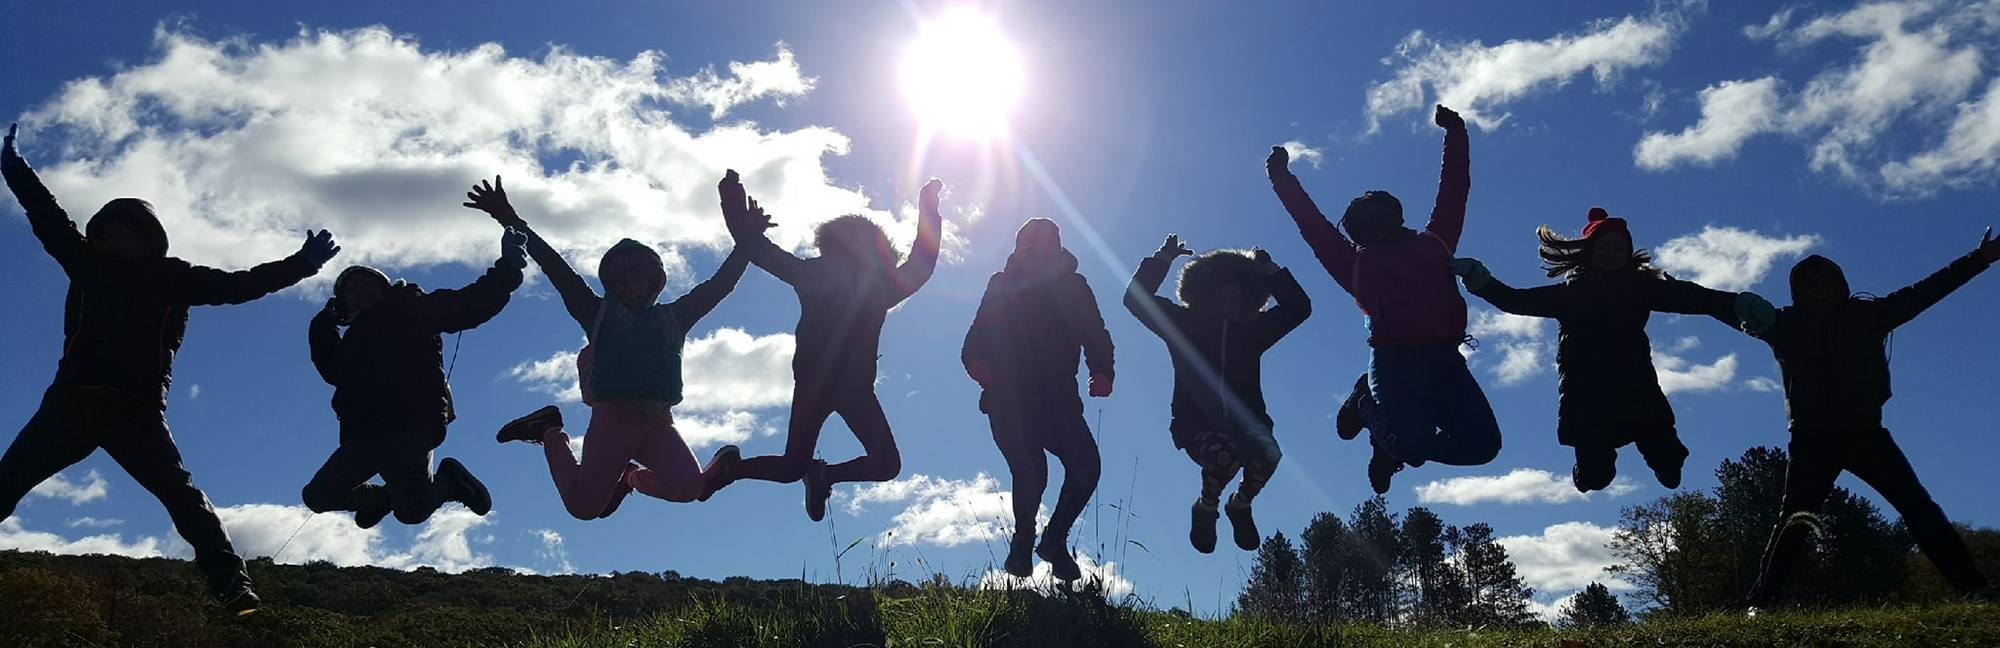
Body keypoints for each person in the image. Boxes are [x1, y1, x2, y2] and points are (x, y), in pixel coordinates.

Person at [0, 124, 338, 614]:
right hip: (71, 400)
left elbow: (241, 285)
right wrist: (14, 167)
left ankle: (230, 585)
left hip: (134, 408)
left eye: (124, 233)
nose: (112, 240)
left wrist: (302, 264)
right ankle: (230, 582)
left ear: (148, 239)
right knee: (7, 481)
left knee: (181, 498)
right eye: (103, 234)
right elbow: (47, 217)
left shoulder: (174, 277)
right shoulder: (85, 266)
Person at [1736, 233, 2000, 608]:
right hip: (1812, 439)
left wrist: (1979, 259)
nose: (1819, 290)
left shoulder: (1869, 315)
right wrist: (1658, 288)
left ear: (1841, 286)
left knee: (1919, 508)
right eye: (1808, 286)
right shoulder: (1781, 325)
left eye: (1825, 282)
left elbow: (1925, 292)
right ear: (1797, 295)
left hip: (1866, 434)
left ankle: (1974, 589)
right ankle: (1761, 603)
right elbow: (1723, 306)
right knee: (1795, 519)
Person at [471, 175, 747, 519]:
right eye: (622, 281)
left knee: (690, 488)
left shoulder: (675, 316)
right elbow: (556, 268)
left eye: (640, 279)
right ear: (611, 286)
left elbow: (720, 286)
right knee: (584, 508)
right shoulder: (596, 312)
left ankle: (629, 478)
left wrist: (746, 241)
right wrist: (509, 218)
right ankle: (548, 431)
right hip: (613, 418)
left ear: (655, 283)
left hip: (658, 421)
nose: (632, 287)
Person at [1450, 207, 1775, 492]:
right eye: (1603, 247)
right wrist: (1479, 278)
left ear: (1629, 252)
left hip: (1637, 388)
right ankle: (1586, 473)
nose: (1612, 253)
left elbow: (1692, 298)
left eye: (1619, 248)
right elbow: (1515, 300)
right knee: (1597, 476)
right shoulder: (1569, 295)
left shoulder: (1640, 288)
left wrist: (1737, 302)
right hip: (1587, 397)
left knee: (1669, 462)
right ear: (1589, 251)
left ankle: (1668, 462)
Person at [1266, 104, 1498, 495]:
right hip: (1395, 361)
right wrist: (1281, 179)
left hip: (1444, 359)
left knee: (1484, 446)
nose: (1374, 224)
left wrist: (1455, 133)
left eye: (1380, 215)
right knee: (1411, 446)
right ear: (1356, 232)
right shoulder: (1351, 263)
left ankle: (1389, 443)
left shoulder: (1434, 242)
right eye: (1364, 221)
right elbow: (1314, 226)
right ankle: (1367, 406)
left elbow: (1455, 190)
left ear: (1396, 216)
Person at [705, 172, 944, 522]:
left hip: (851, 388)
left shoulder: (876, 287)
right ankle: (732, 470)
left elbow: (922, 265)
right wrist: (732, 195)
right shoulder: (817, 275)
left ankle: (819, 475)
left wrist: (929, 209)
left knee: (883, 464)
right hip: (818, 385)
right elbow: (755, 248)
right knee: (792, 467)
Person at [299, 221, 526, 529]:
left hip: (411, 428)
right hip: (362, 437)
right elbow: (332, 370)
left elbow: (467, 305)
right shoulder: (351, 342)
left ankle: (448, 481)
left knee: (412, 513)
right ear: (343, 306)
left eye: (368, 287)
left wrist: (508, 268)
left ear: (385, 290)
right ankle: (380, 500)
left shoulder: (409, 309)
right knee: (318, 496)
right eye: (351, 291)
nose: (360, 294)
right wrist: (324, 322)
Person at [1124, 235, 1310, 554]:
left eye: (1236, 302)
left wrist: (1269, 269)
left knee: (1269, 455)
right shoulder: (1182, 325)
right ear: (1203, 296)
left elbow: (1299, 308)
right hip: (1196, 423)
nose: (1227, 308)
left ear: (1247, 303)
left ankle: (1240, 505)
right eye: (1219, 300)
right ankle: (1206, 508)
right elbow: (1135, 300)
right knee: (1224, 457)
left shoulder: (1253, 331)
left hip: (1249, 420)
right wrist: (1163, 258)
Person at [962, 218, 1114, 581]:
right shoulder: (1000, 285)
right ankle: (1023, 541)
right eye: (1029, 243)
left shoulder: (1075, 287)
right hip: (1009, 402)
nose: (1036, 249)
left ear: (1058, 247)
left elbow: (1095, 332)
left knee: (1087, 466)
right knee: (1032, 468)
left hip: (1059, 401)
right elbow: (974, 342)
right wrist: (986, 372)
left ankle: (1054, 541)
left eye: (1046, 242)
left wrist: (1102, 370)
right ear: (1018, 248)